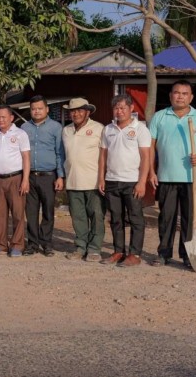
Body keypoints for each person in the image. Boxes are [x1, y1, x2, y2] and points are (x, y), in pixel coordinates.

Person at [149, 80, 196, 268]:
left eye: (184, 93)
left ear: (191, 97)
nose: (180, 96)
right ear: (170, 95)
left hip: (192, 178)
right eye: (176, 92)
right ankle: (163, 253)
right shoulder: (160, 117)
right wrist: (151, 171)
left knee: (190, 218)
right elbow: (151, 146)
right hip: (166, 176)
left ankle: (188, 255)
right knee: (166, 218)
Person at [98, 94, 151, 267]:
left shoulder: (140, 129)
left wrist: (142, 182)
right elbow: (103, 156)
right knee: (115, 219)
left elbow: (145, 157)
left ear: (131, 109)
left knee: (136, 218)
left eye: (122, 108)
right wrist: (101, 178)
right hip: (112, 180)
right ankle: (118, 251)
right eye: (116, 108)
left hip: (132, 181)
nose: (119, 111)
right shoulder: (108, 129)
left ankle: (135, 254)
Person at [61, 98, 105, 262]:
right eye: (73, 111)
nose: (76, 114)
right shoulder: (66, 131)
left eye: (80, 110)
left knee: (96, 216)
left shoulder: (98, 128)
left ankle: (94, 248)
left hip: (93, 182)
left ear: (87, 112)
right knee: (78, 217)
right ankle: (81, 246)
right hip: (73, 182)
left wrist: (103, 178)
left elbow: (104, 156)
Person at [20, 95, 64, 257]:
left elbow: (60, 153)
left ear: (47, 109)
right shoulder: (24, 128)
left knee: (47, 211)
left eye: (40, 108)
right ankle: (32, 244)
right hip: (29, 176)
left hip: (48, 176)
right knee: (30, 212)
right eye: (33, 109)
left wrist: (60, 176)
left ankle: (46, 243)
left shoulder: (56, 127)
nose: (36, 111)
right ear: (30, 110)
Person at [0, 105, 30, 257]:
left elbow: (25, 157)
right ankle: (1, 244)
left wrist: (25, 180)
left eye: (4, 117)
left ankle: (17, 245)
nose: (1, 120)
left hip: (15, 178)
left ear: (11, 118)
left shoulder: (20, 134)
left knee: (17, 213)